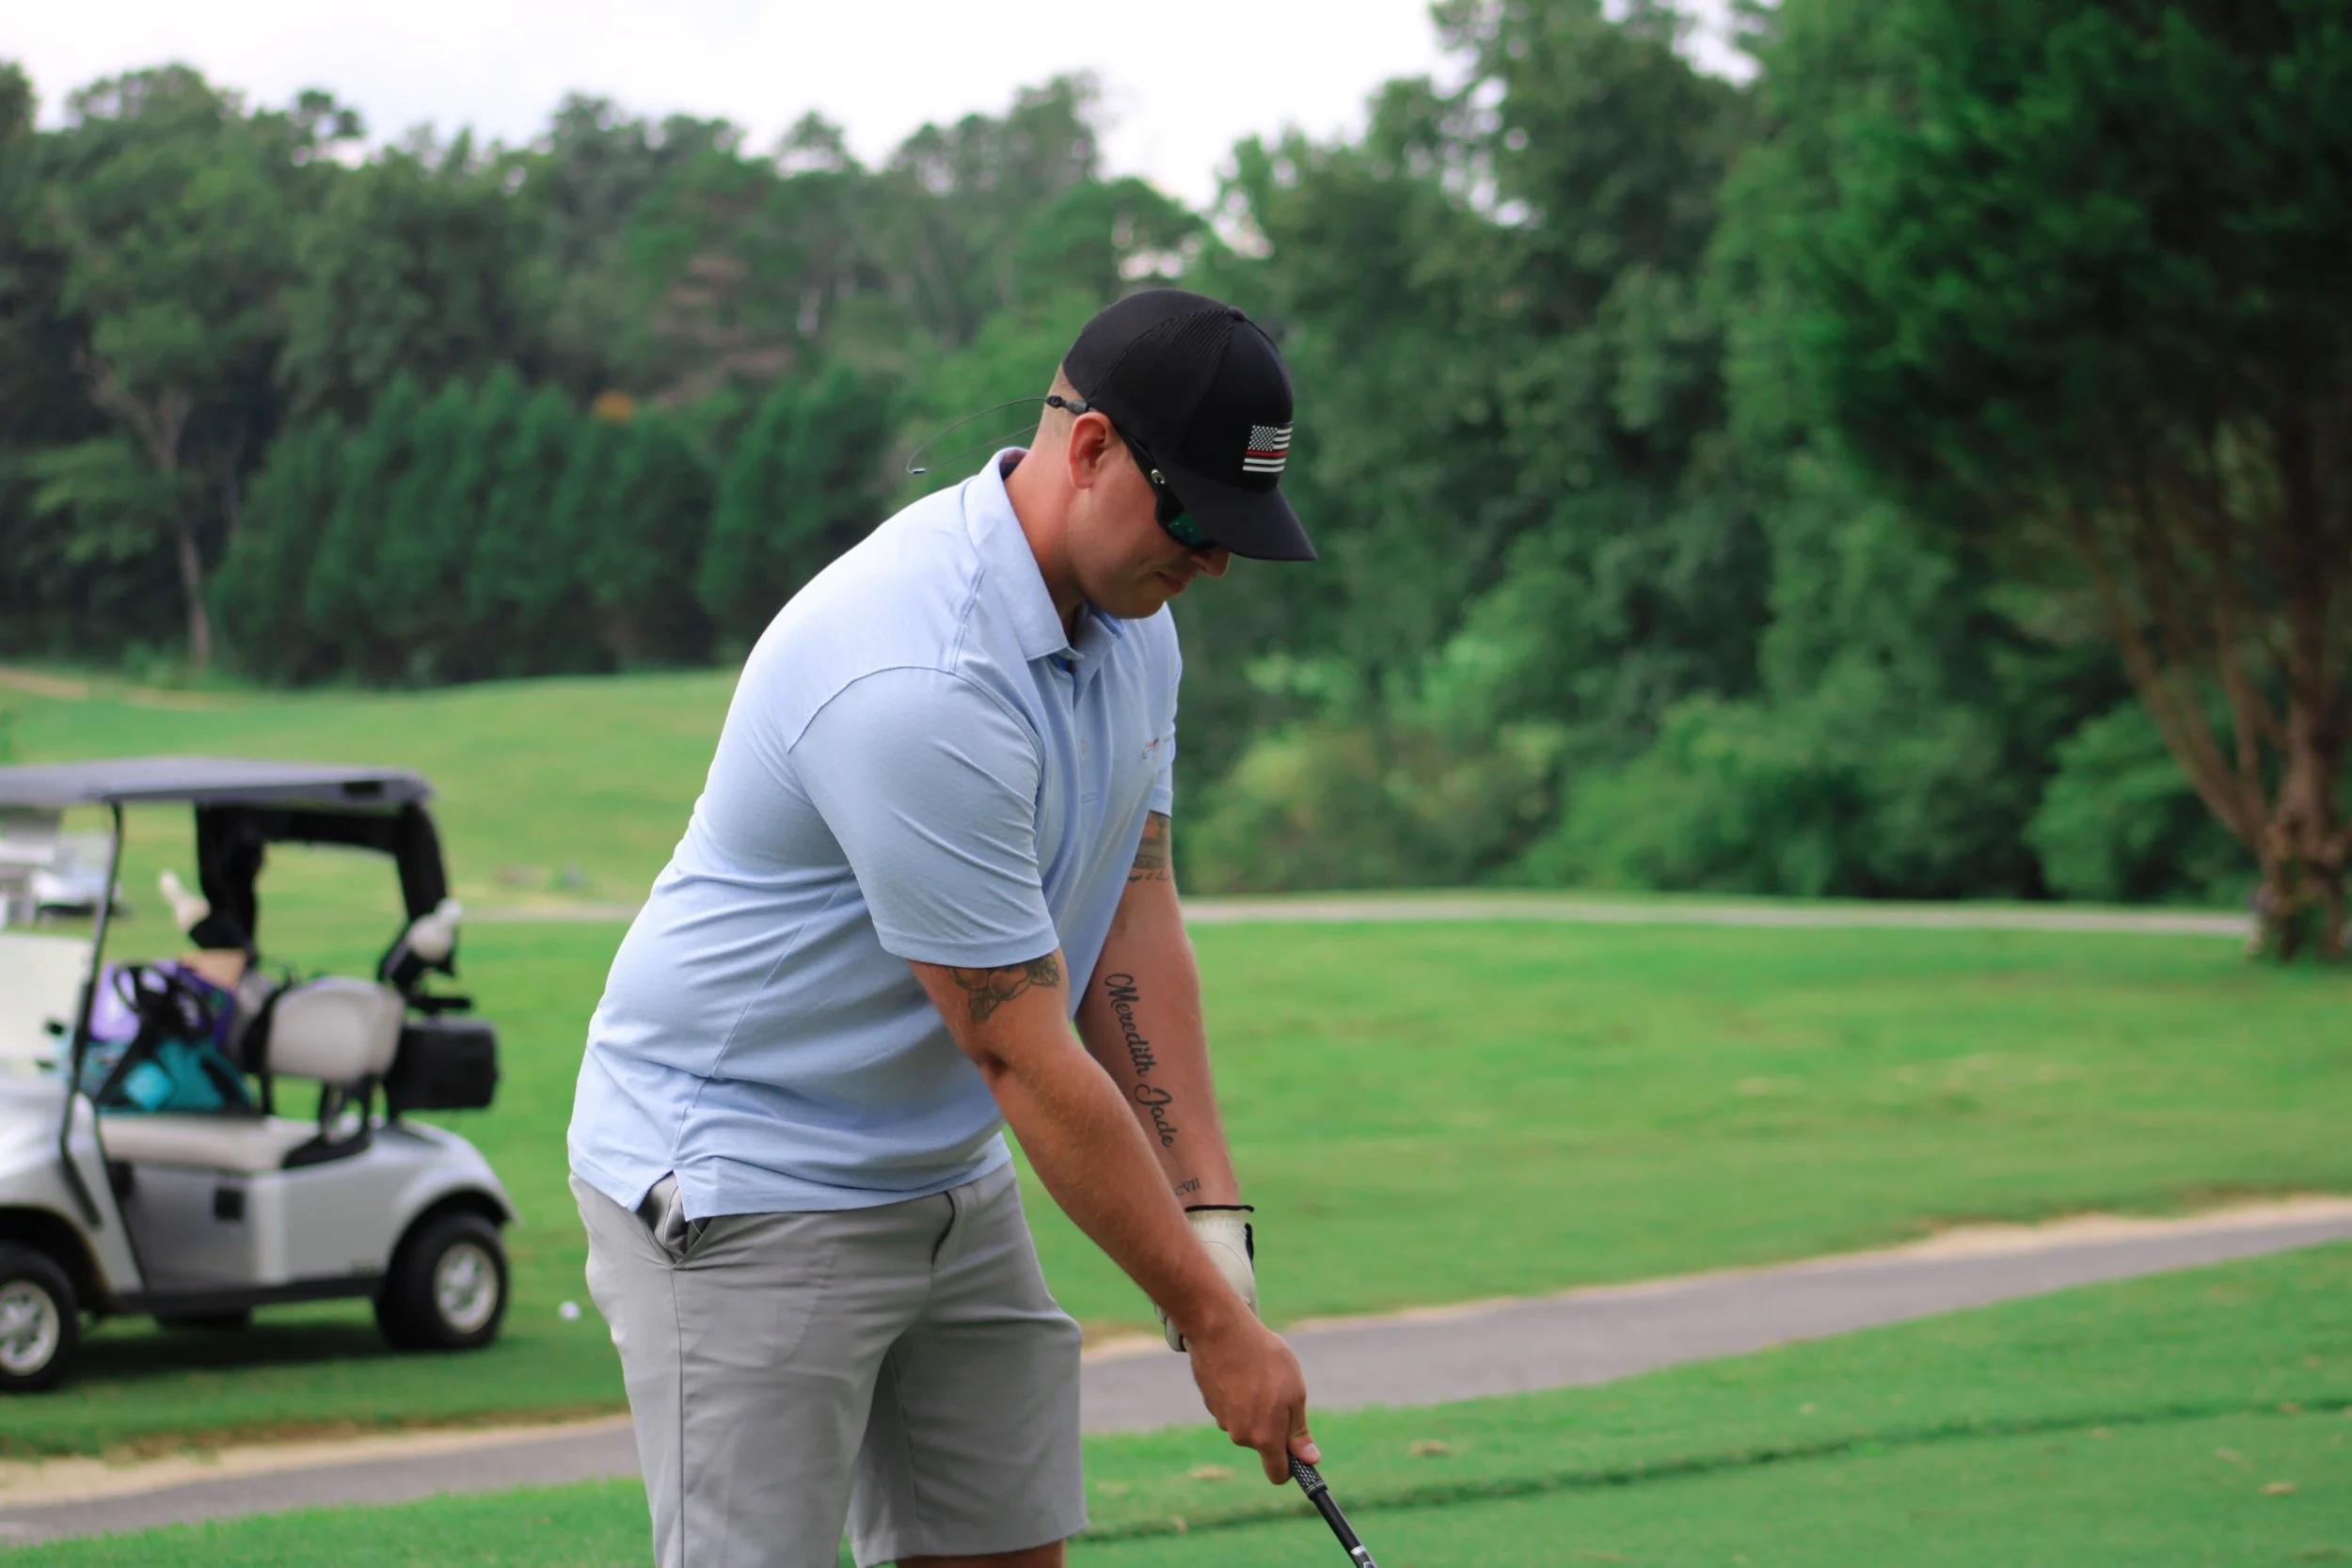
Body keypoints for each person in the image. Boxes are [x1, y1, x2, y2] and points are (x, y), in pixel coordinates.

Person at [566, 288, 1321, 1568]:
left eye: (1235, 533)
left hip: (941, 1173)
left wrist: (1212, 1220)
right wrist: (1212, 1324)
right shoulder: (920, 680)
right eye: (1194, 519)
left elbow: (1130, 910)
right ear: (1092, 450)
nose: (1212, 564)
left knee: (1005, 1549)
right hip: (744, 1173)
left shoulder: (1136, 628)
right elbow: (1020, 1050)